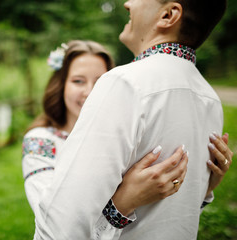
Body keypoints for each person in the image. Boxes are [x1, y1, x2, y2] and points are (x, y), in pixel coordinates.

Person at [33, 0, 234, 239]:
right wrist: (203, 190)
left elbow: (63, 223)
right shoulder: (210, 100)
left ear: (168, 15)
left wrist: (119, 208)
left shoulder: (127, 83)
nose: (128, 3)